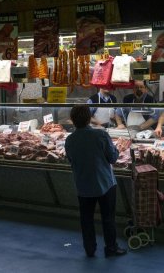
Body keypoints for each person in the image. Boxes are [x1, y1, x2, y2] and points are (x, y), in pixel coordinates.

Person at [64, 105, 127, 258]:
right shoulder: (101, 135)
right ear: (88, 119)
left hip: (83, 185)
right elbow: (112, 158)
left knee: (86, 219)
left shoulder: (69, 140)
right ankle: (111, 249)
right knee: (108, 218)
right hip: (105, 184)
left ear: (72, 120)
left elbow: (71, 160)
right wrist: (120, 147)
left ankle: (89, 249)